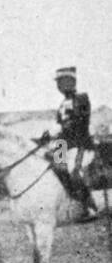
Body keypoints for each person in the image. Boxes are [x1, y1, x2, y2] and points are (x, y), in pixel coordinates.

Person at [50, 66, 98, 219]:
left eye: (63, 82)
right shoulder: (62, 104)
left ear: (72, 82)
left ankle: (89, 207)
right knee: (55, 170)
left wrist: (61, 128)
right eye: (58, 83)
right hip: (62, 144)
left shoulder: (82, 98)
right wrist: (48, 134)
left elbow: (80, 120)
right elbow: (58, 125)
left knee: (74, 173)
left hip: (79, 142)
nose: (60, 86)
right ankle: (70, 204)